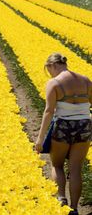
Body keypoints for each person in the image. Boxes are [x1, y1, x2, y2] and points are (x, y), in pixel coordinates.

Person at [35, 53, 91, 215]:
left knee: (57, 165)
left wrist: (40, 139)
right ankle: (74, 208)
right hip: (84, 126)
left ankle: (61, 198)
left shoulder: (54, 83)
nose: (49, 73)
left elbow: (49, 111)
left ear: (52, 66)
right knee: (75, 168)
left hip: (62, 126)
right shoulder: (86, 81)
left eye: (48, 69)